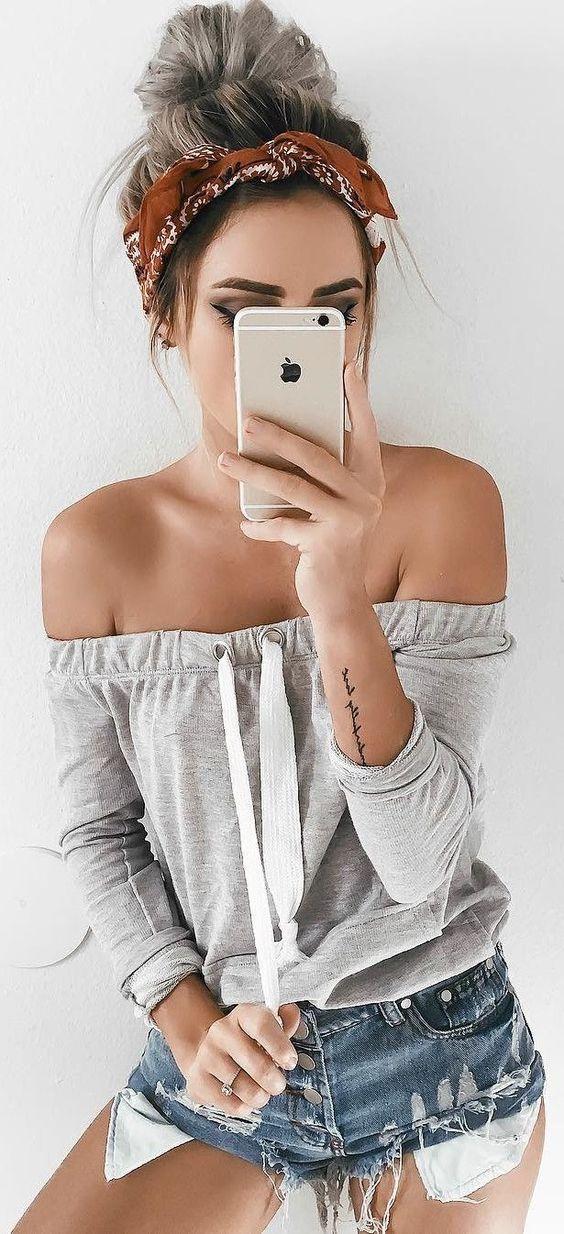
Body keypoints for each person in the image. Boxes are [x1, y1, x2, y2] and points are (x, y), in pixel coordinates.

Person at [17, 3, 546, 1232]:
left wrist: (338, 588)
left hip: (443, 1054)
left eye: (331, 308)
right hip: (225, 1057)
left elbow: (420, 869)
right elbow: (101, 832)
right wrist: (185, 1022)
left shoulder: (446, 506)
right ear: (166, 311)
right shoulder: (96, 549)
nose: (295, 349)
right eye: (242, 310)